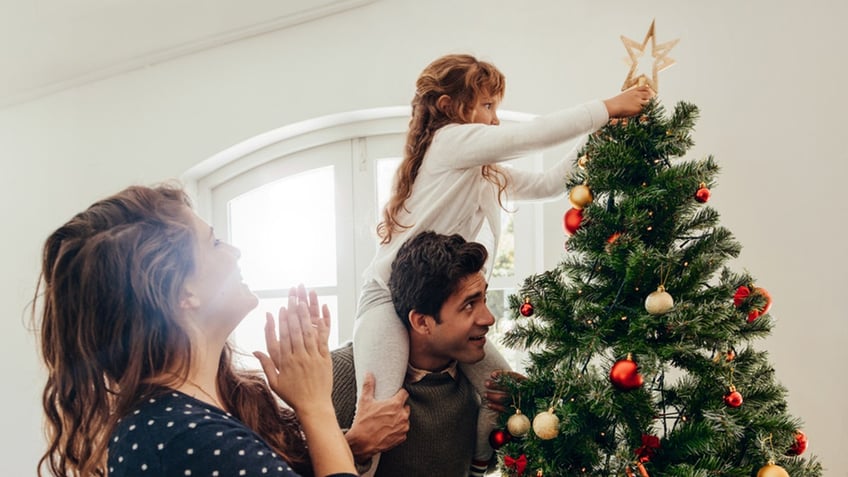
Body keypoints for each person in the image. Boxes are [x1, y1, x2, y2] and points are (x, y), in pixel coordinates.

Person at [352, 53, 654, 473]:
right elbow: (529, 137)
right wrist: (607, 106)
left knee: (507, 393)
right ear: (448, 108)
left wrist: (600, 134)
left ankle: (478, 466)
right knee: (380, 409)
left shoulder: (484, 173)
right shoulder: (449, 143)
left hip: (443, 303)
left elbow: (552, 184)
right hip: (388, 298)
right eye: (487, 106)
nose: (495, 120)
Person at [34, 184, 366, 477]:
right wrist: (316, 406)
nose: (235, 252)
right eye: (215, 242)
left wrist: (350, 441)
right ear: (183, 292)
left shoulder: (196, 412)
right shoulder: (182, 436)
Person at [335, 231, 514, 476]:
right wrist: (356, 447)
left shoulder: (478, 384)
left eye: (484, 298)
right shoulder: (341, 376)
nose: (489, 318)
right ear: (422, 322)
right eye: (469, 305)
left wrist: (522, 415)